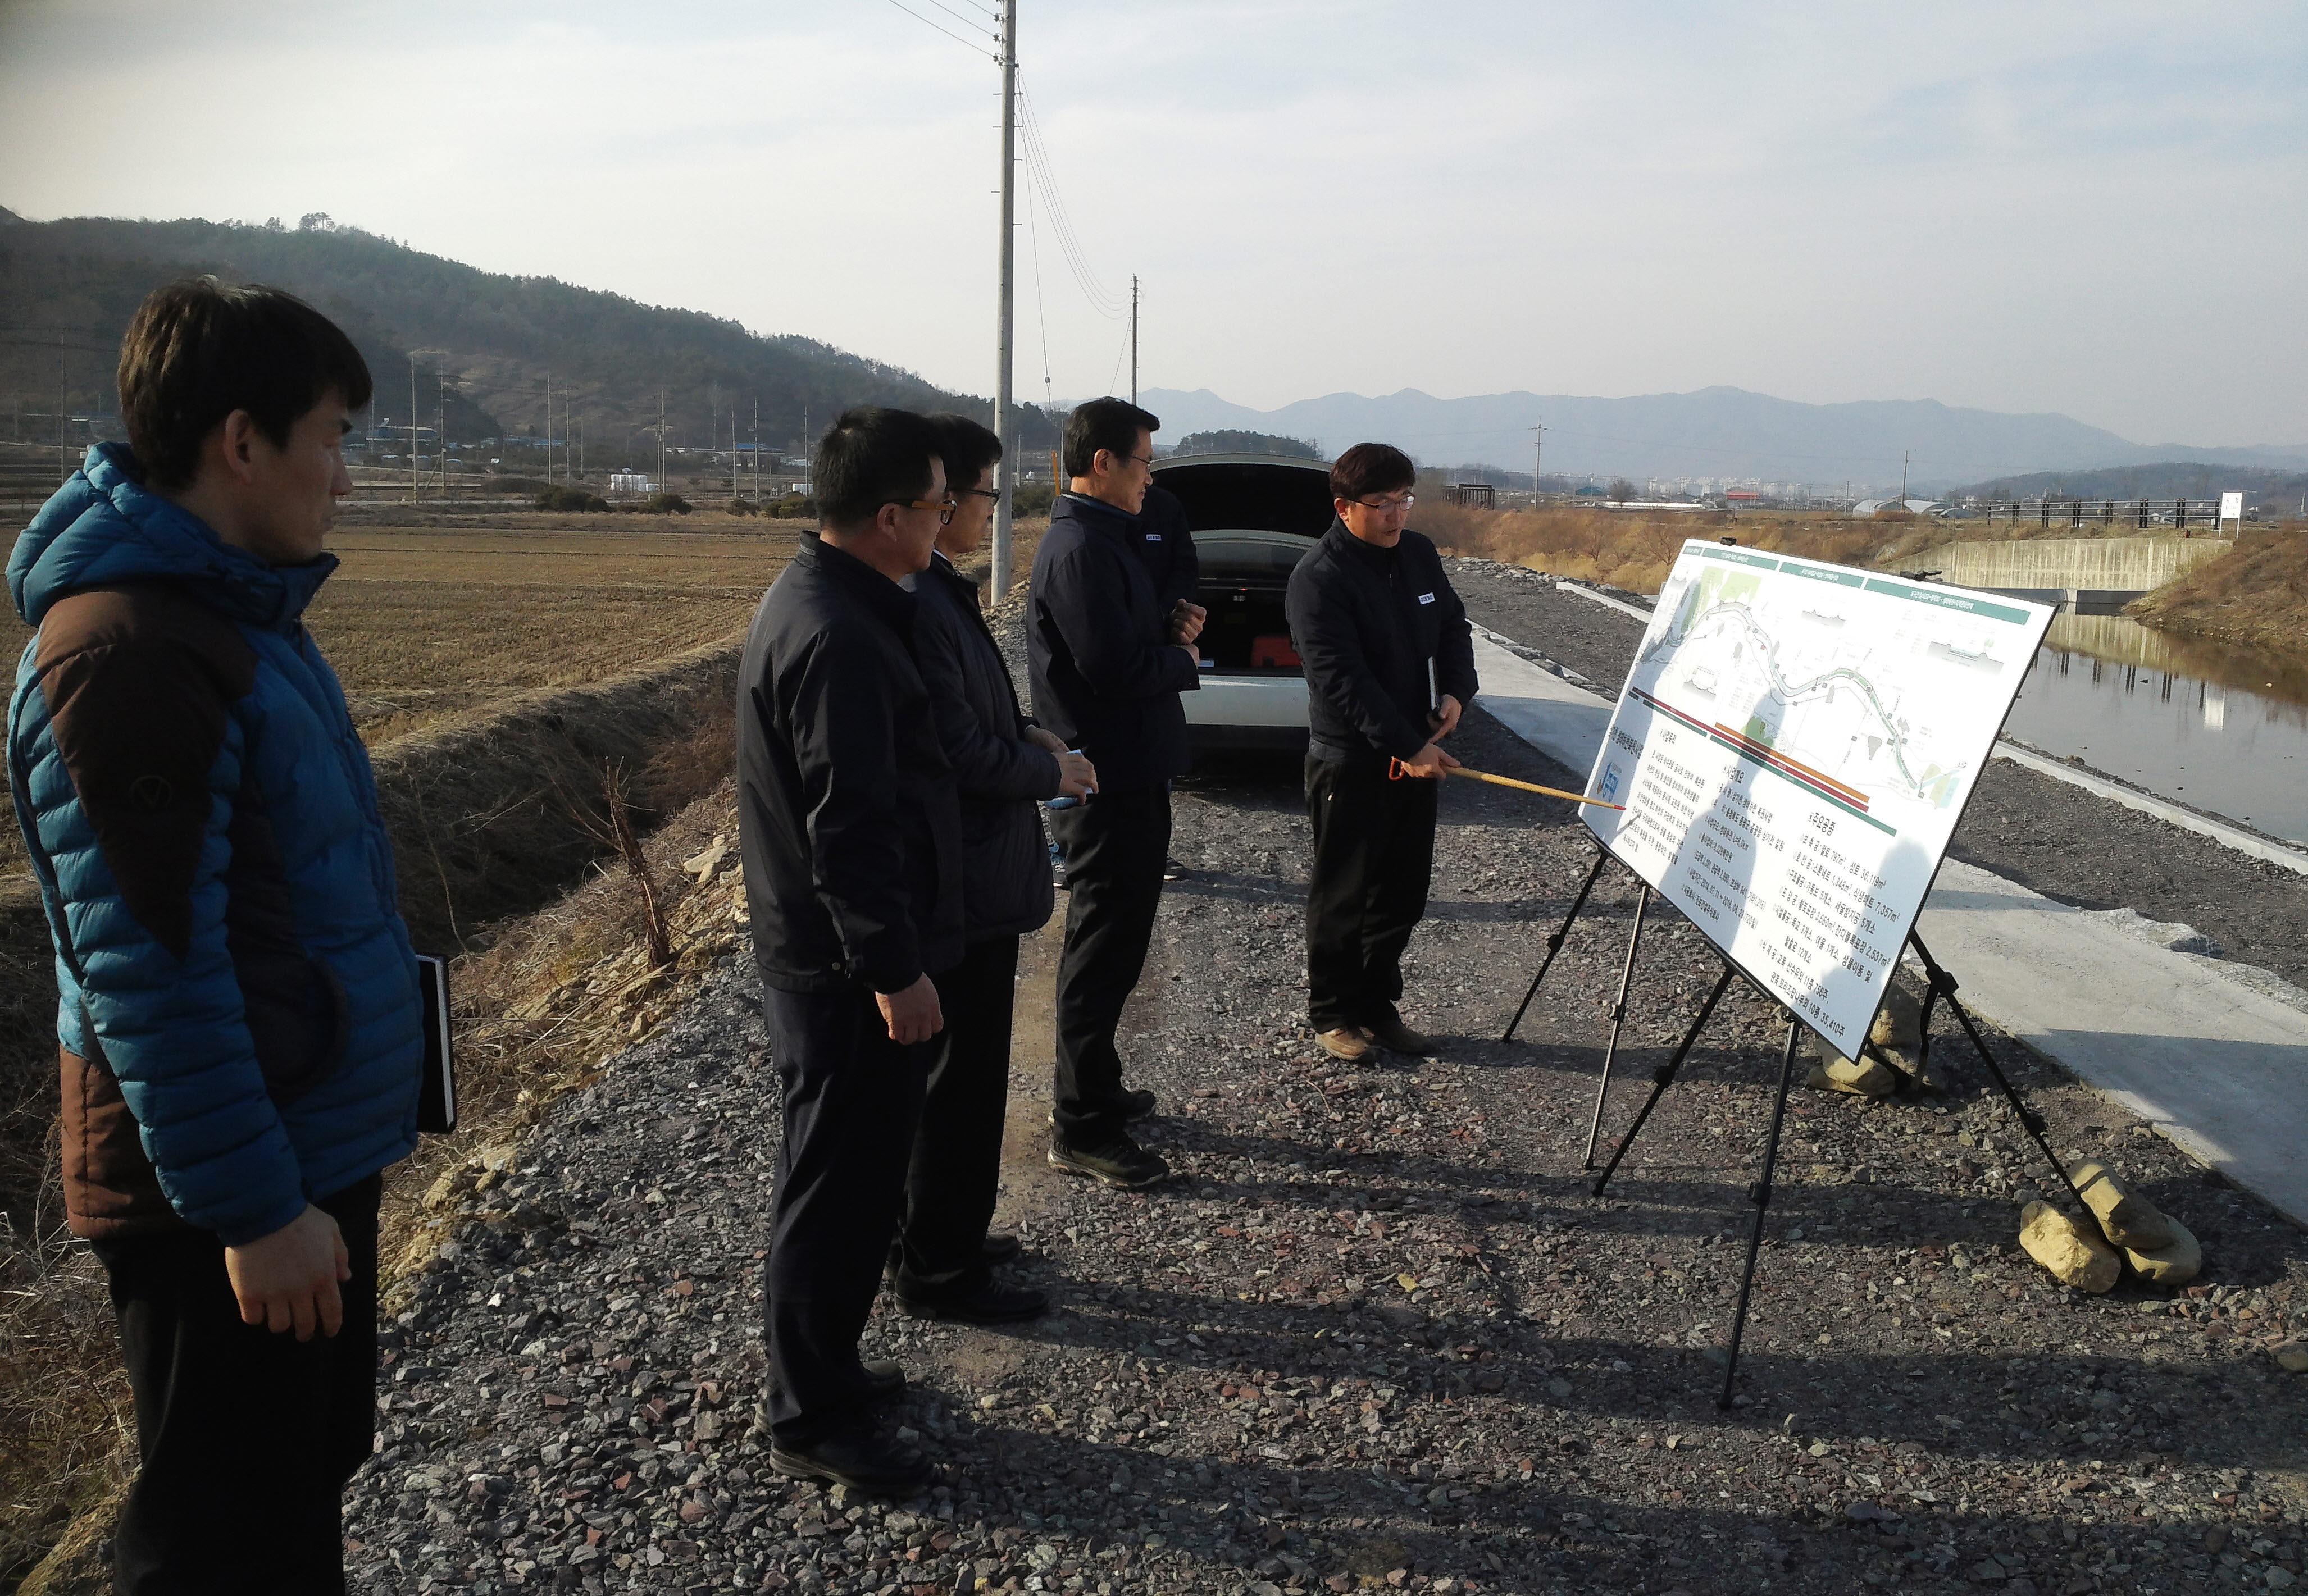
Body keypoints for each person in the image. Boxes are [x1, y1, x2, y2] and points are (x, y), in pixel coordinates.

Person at [7, 278, 422, 1592]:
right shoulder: (127, 652)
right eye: (334, 438)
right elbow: (147, 973)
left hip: (293, 1149)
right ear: (242, 443)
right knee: (218, 1534)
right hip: (224, 1192)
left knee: (295, 1487)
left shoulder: (235, 620)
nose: (344, 479)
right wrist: (254, 1210)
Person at [739, 406, 963, 1493]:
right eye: (935, 504)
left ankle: (827, 1363)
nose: (947, 520)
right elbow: (849, 826)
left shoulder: (836, 600)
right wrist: (893, 968)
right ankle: (808, 1410)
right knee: (833, 1185)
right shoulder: (839, 633)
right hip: (841, 968)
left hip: (832, 954)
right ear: (887, 517)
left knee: (854, 1177)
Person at [890, 413, 1095, 1322]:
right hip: (958, 885)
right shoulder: (916, 602)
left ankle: (950, 1235)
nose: (988, 508)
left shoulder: (939, 588)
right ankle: (940, 1269)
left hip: (972, 875)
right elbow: (954, 750)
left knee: (964, 1084)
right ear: (939, 500)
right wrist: (1046, 768)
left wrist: (1026, 734)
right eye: (980, 493)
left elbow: (982, 719)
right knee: (959, 1090)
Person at [1027, 397, 1201, 1189]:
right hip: (1104, 784)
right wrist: (1181, 661)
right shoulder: (1079, 551)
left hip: (1133, 773)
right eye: (1142, 463)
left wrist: (1168, 633)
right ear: (1102, 462)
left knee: (1121, 945)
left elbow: (1129, 646)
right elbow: (1114, 671)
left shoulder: (1109, 540)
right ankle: (1079, 1125)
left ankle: (1096, 1085)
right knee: (1100, 951)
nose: (1149, 479)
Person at [1283, 441, 1478, 1064]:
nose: (1396, 515)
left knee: (1401, 892)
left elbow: (1452, 626)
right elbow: (1341, 681)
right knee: (1344, 893)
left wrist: (1455, 692)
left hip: (1414, 749)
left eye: (1403, 500)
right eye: (1381, 504)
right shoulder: (1319, 578)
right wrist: (1406, 744)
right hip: (1351, 760)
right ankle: (1333, 1012)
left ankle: (1376, 1003)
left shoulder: (1417, 555)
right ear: (1344, 507)